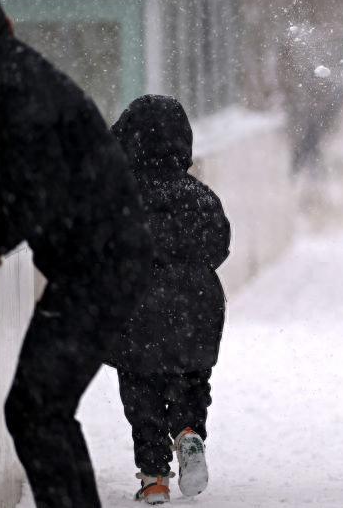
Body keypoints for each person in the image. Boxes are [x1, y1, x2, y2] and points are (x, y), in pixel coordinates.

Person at [0, 0, 151, 507]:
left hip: (98, 266)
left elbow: (19, 175)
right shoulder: (17, 74)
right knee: (42, 407)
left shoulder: (8, 85)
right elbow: (13, 171)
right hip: (102, 259)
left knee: (35, 407)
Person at [107, 95, 231, 504]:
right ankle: (189, 431)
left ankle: (154, 479)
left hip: (134, 306)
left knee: (141, 391)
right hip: (195, 304)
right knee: (191, 380)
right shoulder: (200, 195)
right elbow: (219, 245)